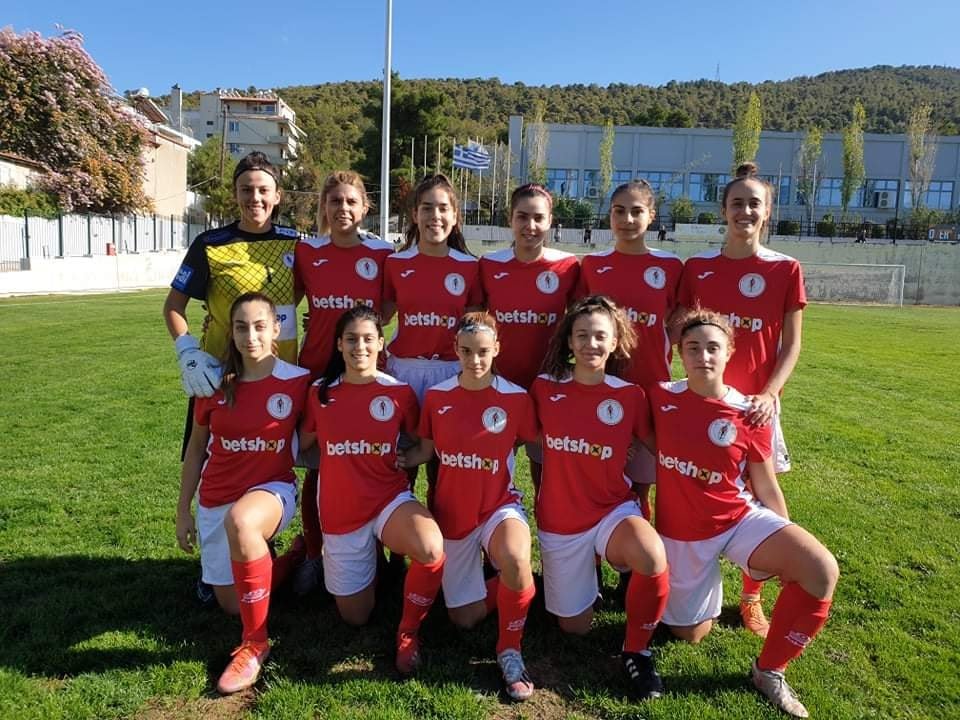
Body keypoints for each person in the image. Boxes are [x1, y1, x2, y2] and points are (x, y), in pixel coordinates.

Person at [650, 309, 838, 718]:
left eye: (713, 347)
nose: (703, 356)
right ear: (680, 353)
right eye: (693, 347)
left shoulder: (749, 412)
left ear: (729, 352)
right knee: (689, 634)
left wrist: (785, 532)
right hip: (682, 532)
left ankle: (769, 671)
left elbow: (765, 483)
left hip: (738, 520)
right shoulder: (660, 397)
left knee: (820, 569)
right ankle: (707, 586)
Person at [164, 151, 302, 606]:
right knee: (213, 457)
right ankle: (217, 556)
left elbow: (316, 292)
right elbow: (173, 306)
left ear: (278, 196)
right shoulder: (210, 243)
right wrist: (188, 351)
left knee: (275, 461)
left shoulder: (296, 244)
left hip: (280, 377)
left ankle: (280, 546)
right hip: (221, 377)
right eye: (246, 190)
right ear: (235, 194)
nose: (254, 198)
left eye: (263, 190)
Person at [677, 161, 807, 638]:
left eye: (755, 203)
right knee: (702, 492)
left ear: (768, 211)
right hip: (706, 406)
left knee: (766, 499)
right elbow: (682, 332)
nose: (745, 211)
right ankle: (690, 578)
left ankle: (751, 597)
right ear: (723, 210)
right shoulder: (698, 268)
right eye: (737, 203)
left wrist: (770, 393)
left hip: (756, 406)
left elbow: (792, 344)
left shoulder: (785, 268)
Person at [529, 295, 669, 700]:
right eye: (582, 335)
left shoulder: (630, 396)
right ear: (569, 342)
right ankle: (580, 579)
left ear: (614, 343)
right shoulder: (544, 388)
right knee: (575, 628)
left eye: (600, 336)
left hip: (612, 510)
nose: (591, 343)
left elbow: (663, 449)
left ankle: (637, 651)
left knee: (651, 555)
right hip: (560, 520)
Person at [175, 292, 311, 694]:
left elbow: (323, 432)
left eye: (259, 326)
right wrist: (183, 510)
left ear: (276, 329)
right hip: (217, 497)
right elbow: (196, 450)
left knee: (243, 522)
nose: (250, 336)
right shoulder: (212, 384)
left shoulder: (299, 382)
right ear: (231, 333)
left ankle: (255, 644)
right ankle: (290, 558)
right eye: (241, 327)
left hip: (272, 491)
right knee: (232, 605)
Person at [298, 306, 445, 675]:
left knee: (430, 548)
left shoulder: (399, 393)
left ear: (381, 343)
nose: (359, 347)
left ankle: (408, 631)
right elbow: (303, 445)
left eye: (368, 339)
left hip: (387, 499)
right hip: (341, 510)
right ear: (338, 344)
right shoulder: (320, 393)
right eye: (351, 339)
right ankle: (314, 558)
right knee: (356, 617)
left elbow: (420, 441)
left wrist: (410, 457)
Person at [401, 312, 540, 701]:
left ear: (496, 349)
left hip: (498, 505)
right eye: (466, 351)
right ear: (456, 350)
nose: (475, 360)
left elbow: (530, 442)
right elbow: (425, 451)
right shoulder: (438, 397)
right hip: (452, 515)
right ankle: (523, 586)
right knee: (464, 618)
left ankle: (510, 650)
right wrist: (391, 459)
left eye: (482, 351)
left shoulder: (516, 398)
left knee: (515, 556)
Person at [292, 171, 394, 594]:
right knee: (319, 468)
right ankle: (316, 554)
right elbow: (286, 304)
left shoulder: (383, 253)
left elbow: (389, 306)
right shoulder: (306, 252)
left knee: (376, 465)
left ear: (365, 207)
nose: (343, 209)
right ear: (324, 206)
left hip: (369, 377)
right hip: (318, 372)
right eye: (335, 201)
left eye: (351, 201)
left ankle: (382, 554)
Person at [577, 179, 683, 518]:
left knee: (640, 486)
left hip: (650, 387)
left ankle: (635, 550)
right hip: (600, 387)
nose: (627, 219)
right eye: (619, 211)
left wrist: (657, 342)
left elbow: (679, 320)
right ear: (609, 215)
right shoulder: (592, 265)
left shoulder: (671, 267)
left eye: (637, 211)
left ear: (651, 215)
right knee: (596, 476)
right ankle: (594, 545)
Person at [382, 174, 482, 507]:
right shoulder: (395, 263)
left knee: (446, 468)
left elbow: (476, 326)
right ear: (415, 214)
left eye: (442, 208)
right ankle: (399, 538)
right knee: (401, 466)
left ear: (455, 216)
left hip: (451, 373)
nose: (434, 216)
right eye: (426, 208)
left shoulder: (470, 267)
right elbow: (380, 316)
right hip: (404, 373)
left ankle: (444, 537)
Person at [479, 183, 579, 490]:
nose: (530, 226)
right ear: (510, 219)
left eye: (538, 217)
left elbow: (579, 324)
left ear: (550, 221)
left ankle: (546, 521)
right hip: (499, 384)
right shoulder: (489, 265)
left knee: (546, 477)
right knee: (492, 471)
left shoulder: (568, 266)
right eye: (522, 217)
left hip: (549, 385)